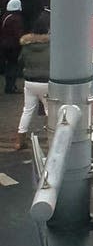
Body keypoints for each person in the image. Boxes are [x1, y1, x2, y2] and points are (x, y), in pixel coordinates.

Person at [15, 13, 50, 150]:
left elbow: (20, 61)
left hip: (30, 82)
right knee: (49, 111)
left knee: (27, 110)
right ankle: (50, 139)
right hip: (47, 82)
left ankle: (20, 140)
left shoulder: (26, 45)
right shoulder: (51, 45)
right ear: (47, 29)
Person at [0, 0, 24, 94]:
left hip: (5, 45)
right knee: (13, 66)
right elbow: (18, 33)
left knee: (9, 65)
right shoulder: (16, 18)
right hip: (13, 46)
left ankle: (9, 85)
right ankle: (11, 87)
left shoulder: (5, 16)